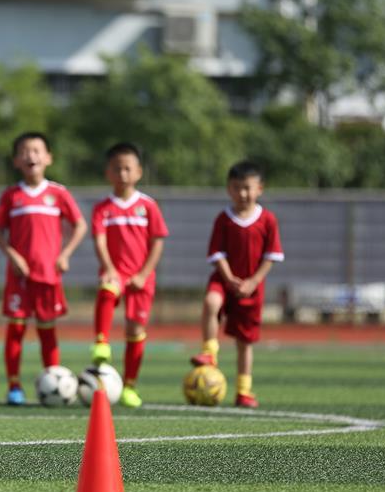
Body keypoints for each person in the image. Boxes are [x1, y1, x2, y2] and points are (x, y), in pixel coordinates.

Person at [0, 132, 87, 405]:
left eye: (36, 150)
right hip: (20, 276)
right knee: (17, 329)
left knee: (47, 331)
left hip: (48, 275)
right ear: (16, 161)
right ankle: (14, 386)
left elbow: (80, 225)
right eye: (24, 151)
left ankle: (54, 378)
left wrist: (65, 254)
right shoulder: (12, 195)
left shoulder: (58, 193)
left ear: (48, 158)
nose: (31, 155)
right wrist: (13, 256)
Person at [191, 161, 284, 408]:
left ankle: (243, 391)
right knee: (211, 302)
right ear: (228, 189)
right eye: (236, 188)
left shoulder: (267, 220)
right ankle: (209, 353)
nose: (243, 194)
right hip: (224, 280)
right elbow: (217, 253)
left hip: (251, 288)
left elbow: (271, 256)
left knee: (245, 342)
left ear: (259, 189)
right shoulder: (224, 219)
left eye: (247, 188)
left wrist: (253, 281)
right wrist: (229, 277)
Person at [89, 142, 168, 408]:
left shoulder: (148, 206)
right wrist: (110, 268)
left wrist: (144, 273)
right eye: (116, 169)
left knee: (136, 329)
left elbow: (157, 241)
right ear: (107, 173)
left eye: (127, 168)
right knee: (107, 288)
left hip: (142, 276)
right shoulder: (103, 208)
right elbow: (99, 240)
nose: (122, 174)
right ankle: (101, 342)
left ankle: (130, 386)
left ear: (138, 172)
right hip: (116, 272)